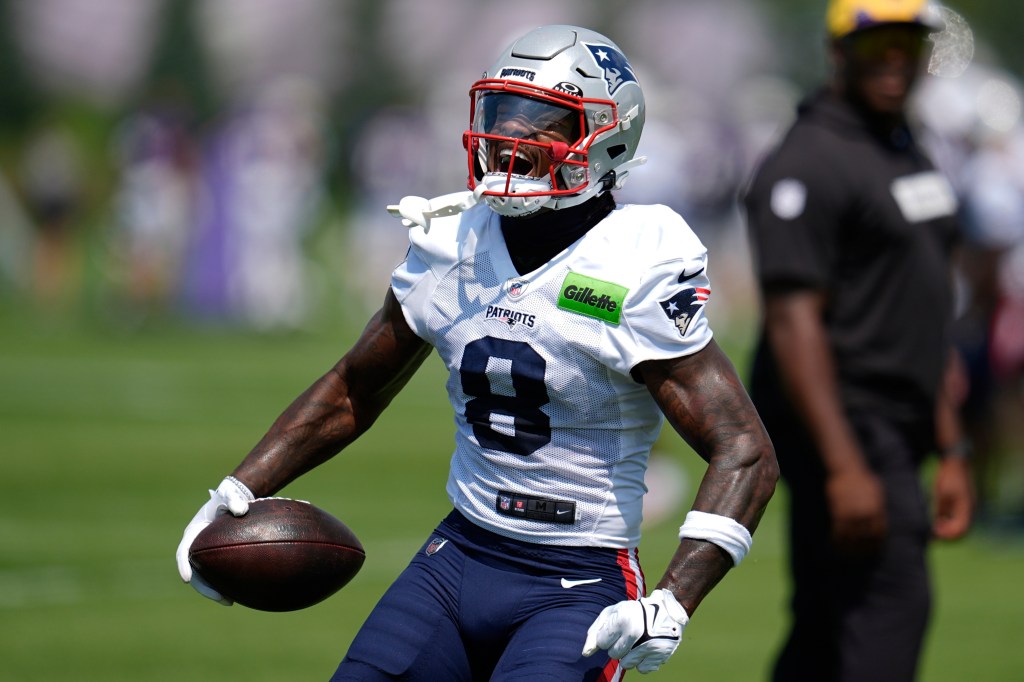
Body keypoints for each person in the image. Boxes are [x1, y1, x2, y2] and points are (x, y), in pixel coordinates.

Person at [177, 24, 778, 680]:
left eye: (542, 121)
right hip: (456, 559)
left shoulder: (634, 261)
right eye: (502, 113)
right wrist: (238, 488)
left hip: (579, 580)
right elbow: (353, 388)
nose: (511, 137)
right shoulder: (453, 243)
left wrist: (672, 602)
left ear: (607, 137)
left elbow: (744, 449)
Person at [742, 2, 974, 680]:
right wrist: (844, 465)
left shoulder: (901, 145)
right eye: (878, 44)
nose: (896, 61)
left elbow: (921, 311)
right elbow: (793, 322)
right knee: (890, 604)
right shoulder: (808, 160)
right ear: (839, 51)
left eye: (910, 45)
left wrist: (951, 445)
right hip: (845, 424)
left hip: (899, 423)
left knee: (828, 624)